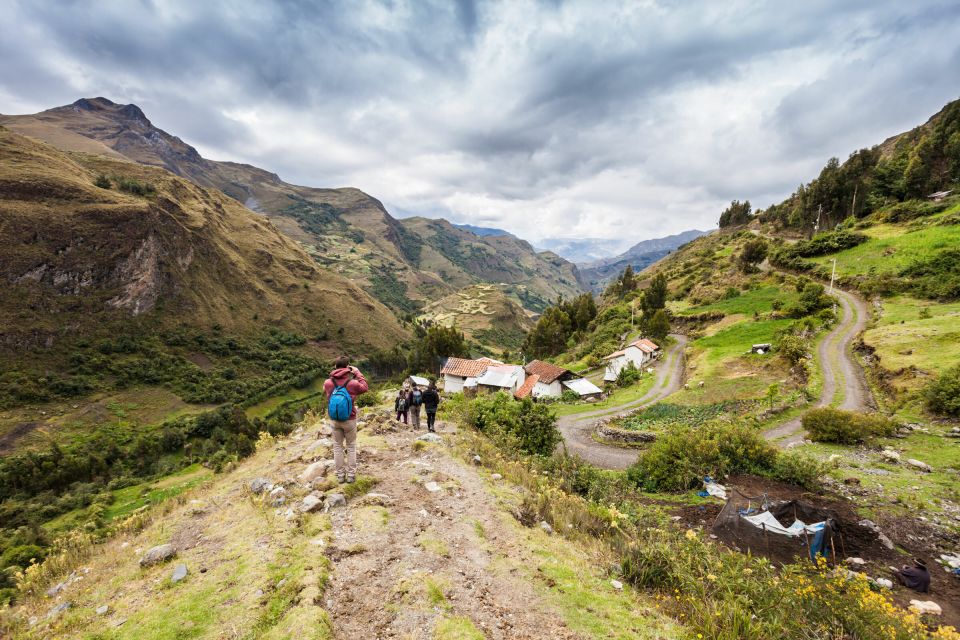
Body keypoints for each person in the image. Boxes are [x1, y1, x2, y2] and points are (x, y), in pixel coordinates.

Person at [322, 356, 368, 484]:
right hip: (350, 418)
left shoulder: (328, 383)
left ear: (335, 367)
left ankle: (340, 476)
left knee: (337, 447)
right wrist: (357, 372)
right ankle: (351, 475)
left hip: (335, 419)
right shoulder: (352, 383)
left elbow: (325, 392)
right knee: (351, 446)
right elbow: (365, 387)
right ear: (348, 367)